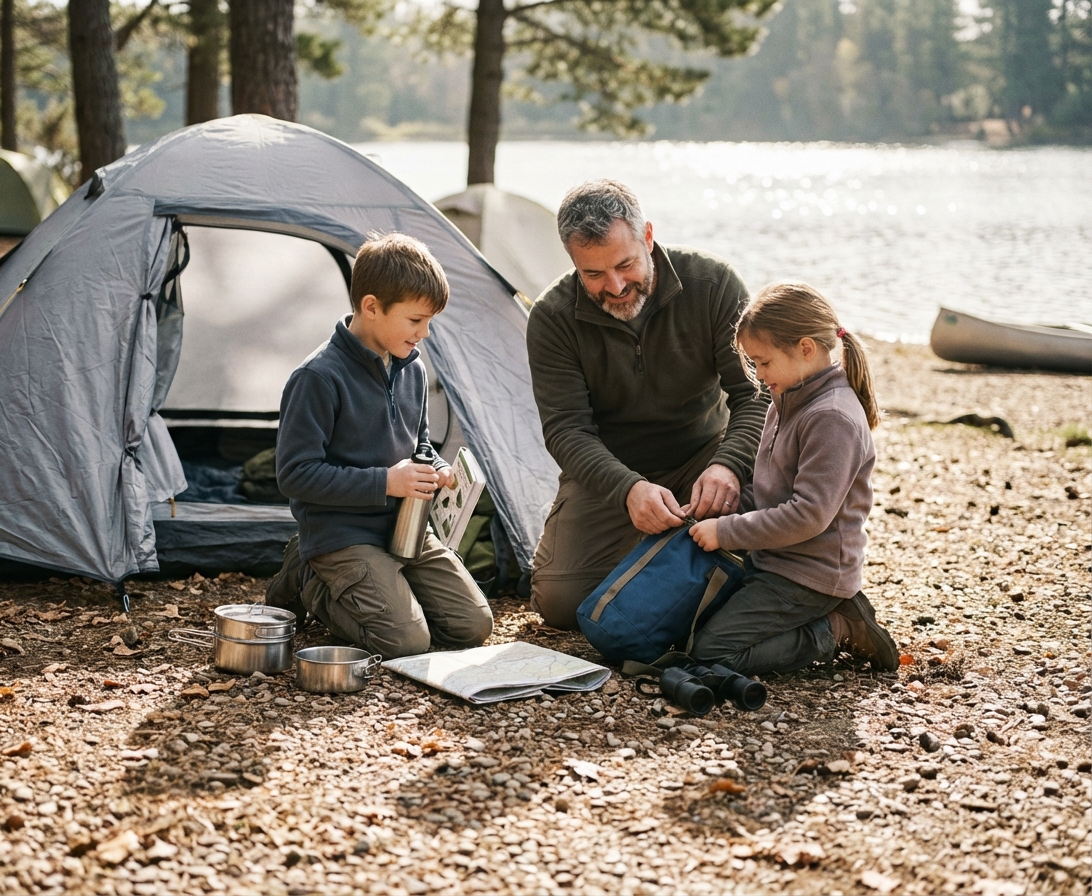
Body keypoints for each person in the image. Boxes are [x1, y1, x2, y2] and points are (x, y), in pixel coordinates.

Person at [526, 179, 769, 630]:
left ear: (649, 237)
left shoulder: (713, 284)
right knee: (559, 601)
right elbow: (566, 431)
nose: (615, 286)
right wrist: (627, 490)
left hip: (705, 456)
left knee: (775, 555)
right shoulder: (551, 318)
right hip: (612, 471)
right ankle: (675, 554)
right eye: (593, 274)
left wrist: (729, 465)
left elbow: (756, 393)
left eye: (626, 265)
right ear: (572, 261)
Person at [267, 232, 493, 659]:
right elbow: (294, 475)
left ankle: (385, 590)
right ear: (371, 307)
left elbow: (419, 443)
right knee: (406, 643)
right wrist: (386, 482)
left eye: (430, 322)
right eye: (415, 320)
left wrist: (433, 469)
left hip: (405, 528)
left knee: (472, 626)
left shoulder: (412, 369)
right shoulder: (317, 378)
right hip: (342, 534)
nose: (424, 333)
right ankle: (310, 578)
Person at [688, 282, 899, 674]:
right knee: (685, 627)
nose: (758, 373)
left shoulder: (831, 417)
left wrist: (727, 531)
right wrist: (722, 509)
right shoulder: (786, 397)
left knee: (712, 654)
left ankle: (835, 627)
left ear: (805, 348)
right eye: (753, 363)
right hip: (773, 559)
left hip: (811, 573)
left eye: (764, 362)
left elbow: (808, 515)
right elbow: (771, 489)